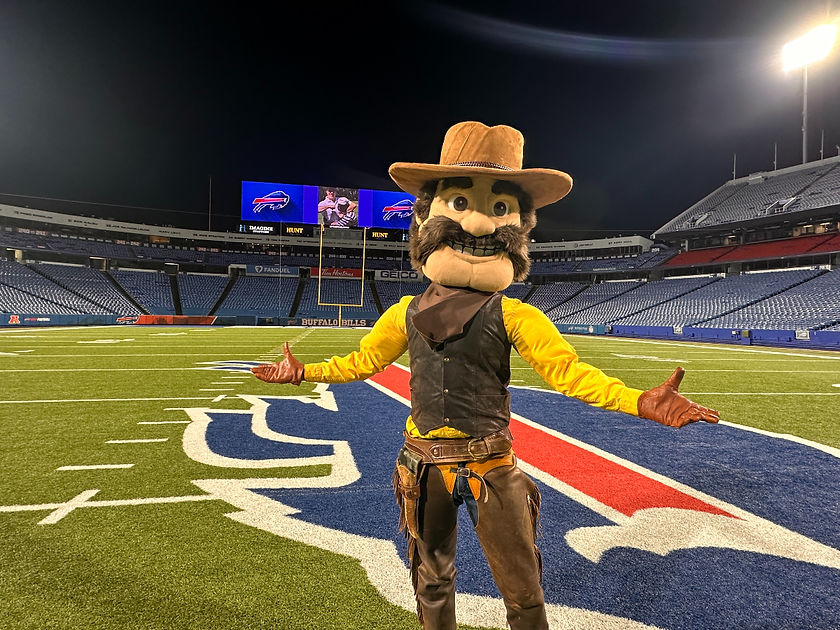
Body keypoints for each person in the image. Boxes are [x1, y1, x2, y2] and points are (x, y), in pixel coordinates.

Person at [252, 121, 720, 630]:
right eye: (459, 205)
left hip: (491, 465)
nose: (476, 225)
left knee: (521, 588)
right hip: (423, 463)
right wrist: (305, 373)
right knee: (430, 580)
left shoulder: (517, 314)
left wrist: (637, 401)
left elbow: (568, 374)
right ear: (427, 215)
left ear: (518, 224)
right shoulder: (404, 312)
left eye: (499, 209)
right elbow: (360, 363)